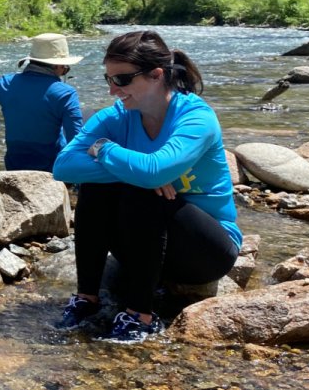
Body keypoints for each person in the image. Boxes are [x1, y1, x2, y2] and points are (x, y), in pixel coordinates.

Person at [51, 30, 242, 343]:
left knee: (142, 189)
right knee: (98, 187)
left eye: (122, 80)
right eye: (108, 79)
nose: (113, 90)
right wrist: (134, 169)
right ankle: (87, 298)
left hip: (206, 253)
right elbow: (63, 166)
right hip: (146, 249)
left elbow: (154, 172)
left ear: (156, 75)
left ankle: (141, 316)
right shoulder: (118, 116)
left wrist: (105, 150)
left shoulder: (196, 117)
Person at [0, 33, 84, 173]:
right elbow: (75, 140)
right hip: (52, 170)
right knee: (89, 118)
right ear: (57, 65)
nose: (64, 72)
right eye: (65, 68)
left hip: (14, 168)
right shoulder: (66, 93)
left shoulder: (3, 84)